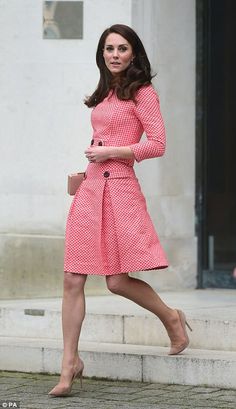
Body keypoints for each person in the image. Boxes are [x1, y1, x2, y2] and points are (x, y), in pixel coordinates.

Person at [48, 23, 192, 397]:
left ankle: (172, 318)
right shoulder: (105, 91)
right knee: (72, 278)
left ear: (134, 53)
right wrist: (92, 163)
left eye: (121, 48)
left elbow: (158, 144)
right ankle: (69, 364)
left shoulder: (143, 93)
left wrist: (113, 151)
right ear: (103, 54)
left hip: (121, 188)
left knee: (116, 281)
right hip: (91, 187)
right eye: (109, 48)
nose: (114, 55)